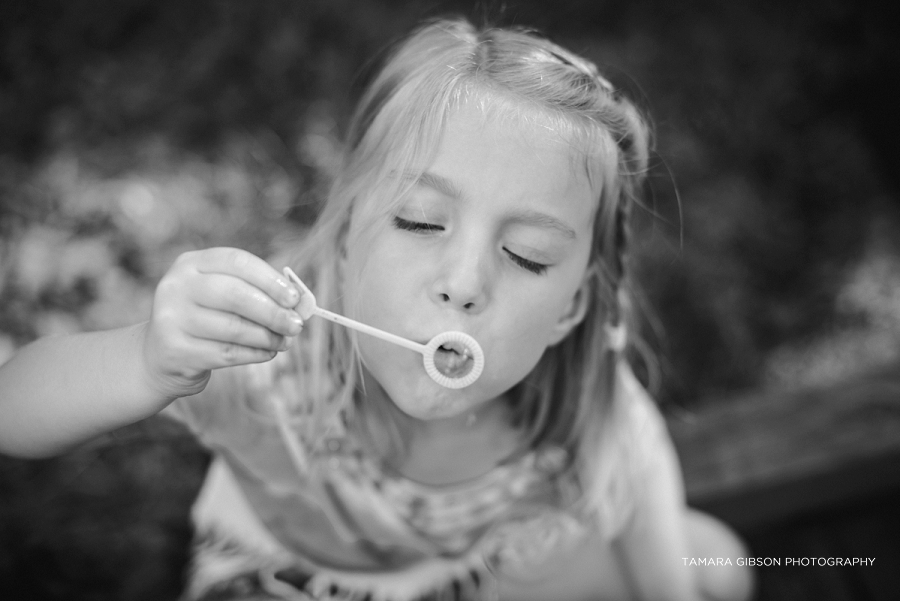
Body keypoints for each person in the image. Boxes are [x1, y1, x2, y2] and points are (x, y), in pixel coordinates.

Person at [0, 17, 755, 601]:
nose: (463, 283)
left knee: (713, 559)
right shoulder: (265, 363)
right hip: (281, 580)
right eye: (422, 221)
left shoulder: (594, 419)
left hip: (461, 577)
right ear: (348, 238)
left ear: (570, 309)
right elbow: (11, 410)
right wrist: (142, 359)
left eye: (526, 255)